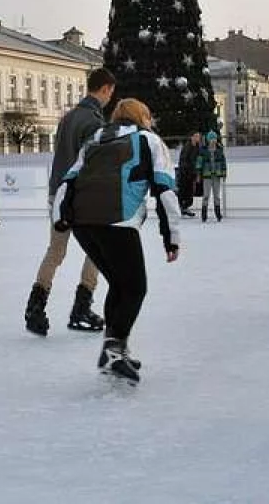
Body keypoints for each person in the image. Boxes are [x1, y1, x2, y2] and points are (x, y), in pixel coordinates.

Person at [52, 98, 181, 384]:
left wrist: (60, 217)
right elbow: (165, 189)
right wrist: (171, 237)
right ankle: (113, 349)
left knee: (120, 285)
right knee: (135, 288)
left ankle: (115, 348)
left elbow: (68, 180)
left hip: (83, 223)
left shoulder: (95, 139)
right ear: (143, 116)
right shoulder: (149, 140)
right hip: (117, 221)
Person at [24, 68, 115, 337]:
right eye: (111, 92)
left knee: (56, 251)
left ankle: (35, 309)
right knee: (99, 250)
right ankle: (82, 306)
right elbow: (93, 164)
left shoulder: (68, 119)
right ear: (106, 89)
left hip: (58, 194)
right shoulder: (94, 123)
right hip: (81, 198)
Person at [196, 131, 227, 222]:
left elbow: (223, 162)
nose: (213, 141)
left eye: (214, 139)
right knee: (206, 195)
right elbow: (199, 162)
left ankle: (218, 213)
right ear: (208, 140)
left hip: (216, 175)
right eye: (211, 139)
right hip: (207, 175)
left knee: (217, 195)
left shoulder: (219, 150)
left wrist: (224, 173)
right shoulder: (203, 150)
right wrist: (198, 173)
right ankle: (204, 214)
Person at [176, 132, 202, 217]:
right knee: (183, 192)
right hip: (185, 173)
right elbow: (183, 161)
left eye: (199, 136)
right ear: (192, 137)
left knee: (190, 193)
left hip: (192, 173)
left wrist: (197, 173)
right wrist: (186, 172)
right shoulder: (187, 146)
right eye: (196, 136)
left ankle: (184, 208)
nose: (198, 138)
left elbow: (198, 160)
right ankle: (182, 208)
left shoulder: (198, 147)